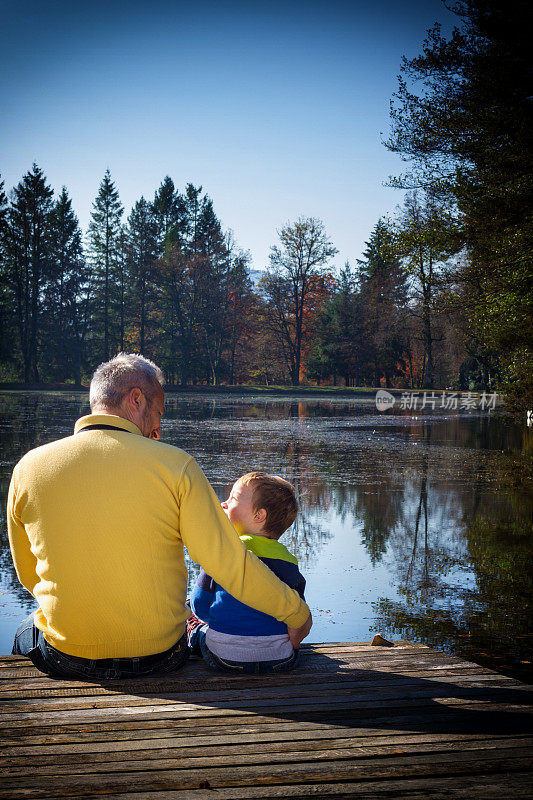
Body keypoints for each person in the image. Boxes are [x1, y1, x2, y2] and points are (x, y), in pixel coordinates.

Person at [7, 353, 312, 681]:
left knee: (26, 628)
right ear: (136, 399)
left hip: (67, 656)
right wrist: (297, 613)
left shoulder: (28, 467)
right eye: (158, 413)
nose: (158, 429)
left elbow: (29, 574)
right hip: (160, 655)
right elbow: (230, 565)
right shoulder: (176, 466)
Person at [187, 472, 306, 674]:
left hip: (224, 657)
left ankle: (193, 633)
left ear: (258, 515)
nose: (223, 504)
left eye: (232, 498)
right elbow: (296, 618)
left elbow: (200, 606)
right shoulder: (289, 561)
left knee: (196, 629)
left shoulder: (223, 551)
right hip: (279, 659)